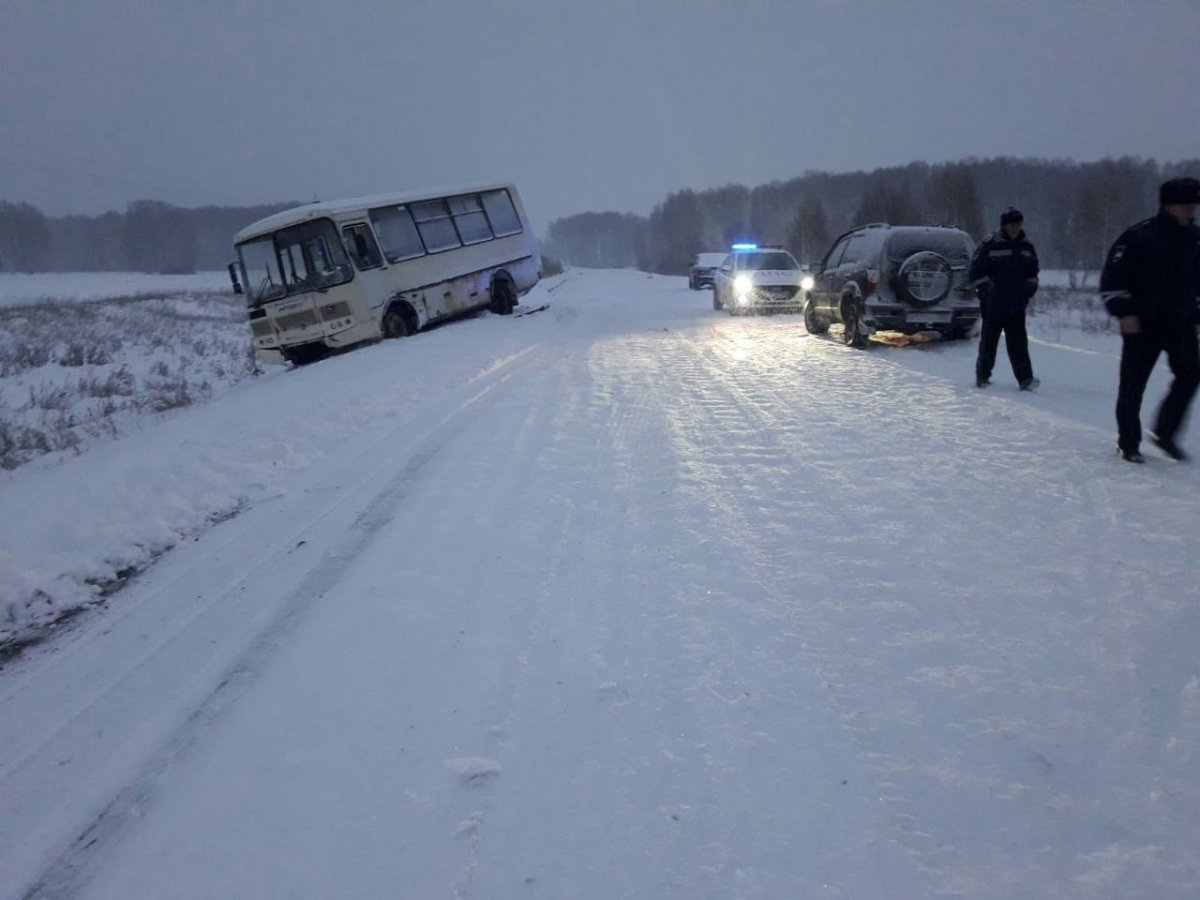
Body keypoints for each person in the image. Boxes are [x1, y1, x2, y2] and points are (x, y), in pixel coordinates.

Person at [1101, 176, 1200, 463]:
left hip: (1180, 323)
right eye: (1186, 205)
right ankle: (1128, 442)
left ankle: (1165, 432)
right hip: (1142, 323)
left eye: (1194, 205)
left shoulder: (1195, 239)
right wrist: (1125, 312)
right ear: (1169, 205)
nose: (1192, 210)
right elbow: (1113, 279)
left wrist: (1196, 315)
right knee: (1133, 384)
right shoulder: (1139, 237)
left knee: (1191, 373)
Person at [969, 207, 1040, 390]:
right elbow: (975, 271)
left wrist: (1028, 290)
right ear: (1004, 226)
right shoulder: (990, 244)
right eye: (1012, 225)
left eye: (1018, 224)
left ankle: (1026, 380)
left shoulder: (1027, 246)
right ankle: (983, 377)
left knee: (1019, 344)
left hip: (1016, 305)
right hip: (994, 305)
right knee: (989, 343)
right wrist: (987, 292)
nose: (1015, 228)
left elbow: (1033, 272)